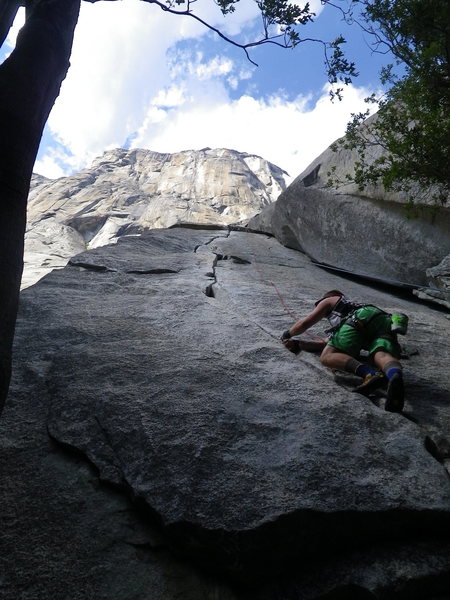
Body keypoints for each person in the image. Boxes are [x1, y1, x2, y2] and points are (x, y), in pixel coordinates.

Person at [281, 290, 405, 412]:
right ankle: (394, 373)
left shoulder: (330, 300)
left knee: (327, 357)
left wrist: (287, 334)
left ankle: (370, 374)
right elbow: (326, 344)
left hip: (359, 318)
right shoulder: (348, 310)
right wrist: (297, 344)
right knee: (382, 354)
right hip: (384, 319)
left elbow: (305, 323)